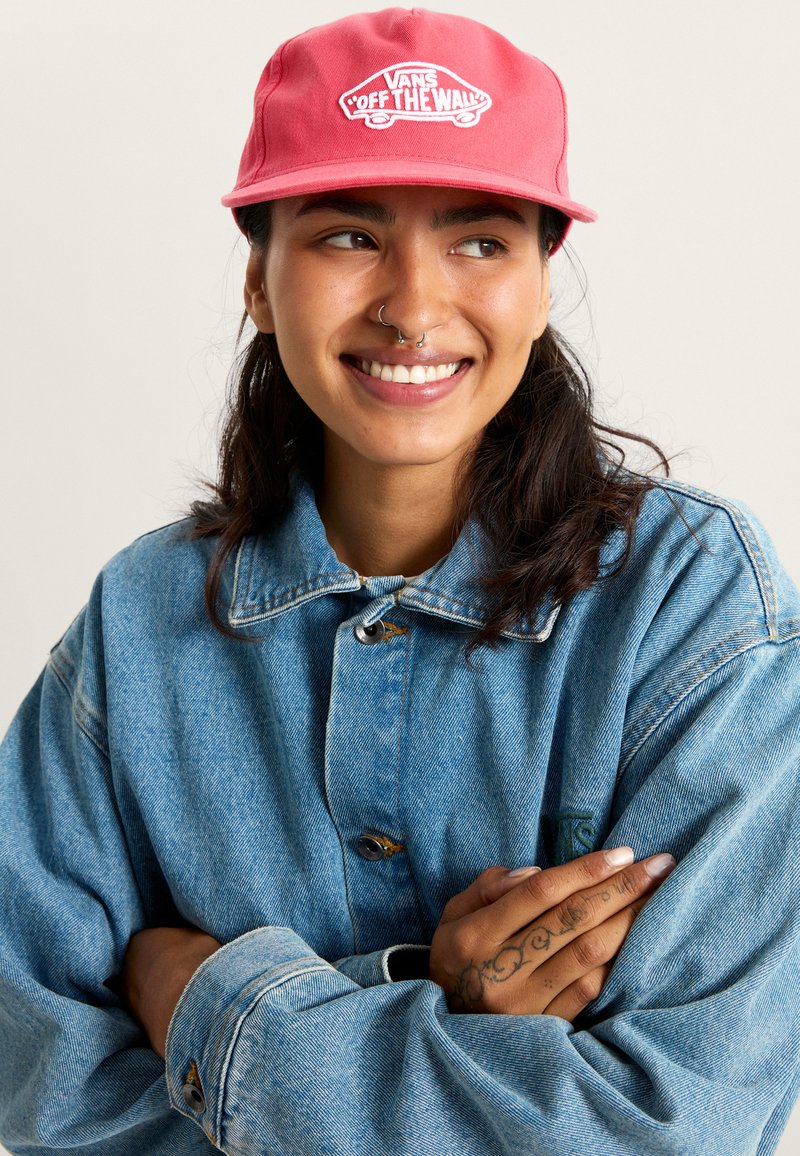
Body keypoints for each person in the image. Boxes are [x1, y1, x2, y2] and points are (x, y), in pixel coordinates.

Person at [1, 7, 799, 1154]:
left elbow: (671, 1125)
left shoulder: (695, 610)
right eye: (346, 236)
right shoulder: (138, 627)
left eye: (479, 240)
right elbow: (47, 1092)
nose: (414, 306)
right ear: (258, 279)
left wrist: (198, 998)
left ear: (537, 279)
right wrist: (446, 1003)